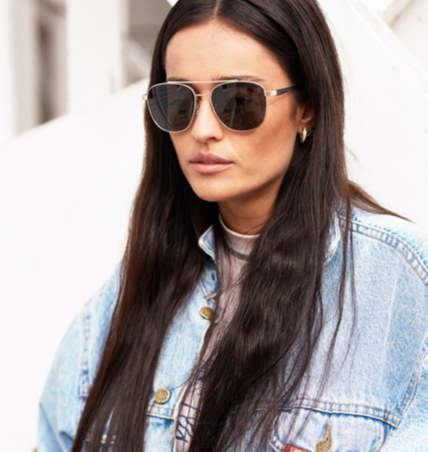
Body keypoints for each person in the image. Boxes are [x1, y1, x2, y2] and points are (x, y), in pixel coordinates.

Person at [38, 0, 428, 451]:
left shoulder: (401, 286)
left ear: (306, 107)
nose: (203, 129)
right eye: (178, 101)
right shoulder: (131, 293)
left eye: (239, 100)